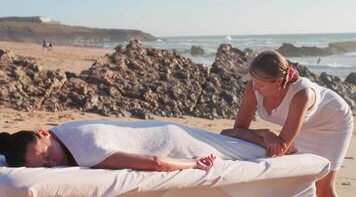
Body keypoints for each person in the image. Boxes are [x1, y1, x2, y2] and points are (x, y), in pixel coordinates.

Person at [221, 50, 353, 197]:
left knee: (323, 188)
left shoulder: (302, 94)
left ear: (277, 82)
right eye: (253, 81)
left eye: (260, 85)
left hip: (332, 122)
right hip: (302, 125)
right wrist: (265, 133)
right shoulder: (253, 89)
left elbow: (280, 148)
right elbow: (238, 131)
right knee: (298, 182)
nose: (255, 88)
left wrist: (268, 139)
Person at [0, 121, 266, 172]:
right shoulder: (65, 129)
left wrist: (194, 164)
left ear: (43, 133)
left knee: (259, 154)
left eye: (47, 155)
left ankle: (257, 136)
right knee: (234, 145)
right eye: (44, 165)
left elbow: (156, 162)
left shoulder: (85, 150)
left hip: (176, 145)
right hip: (163, 129)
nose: (52, 163)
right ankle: (246, 134)